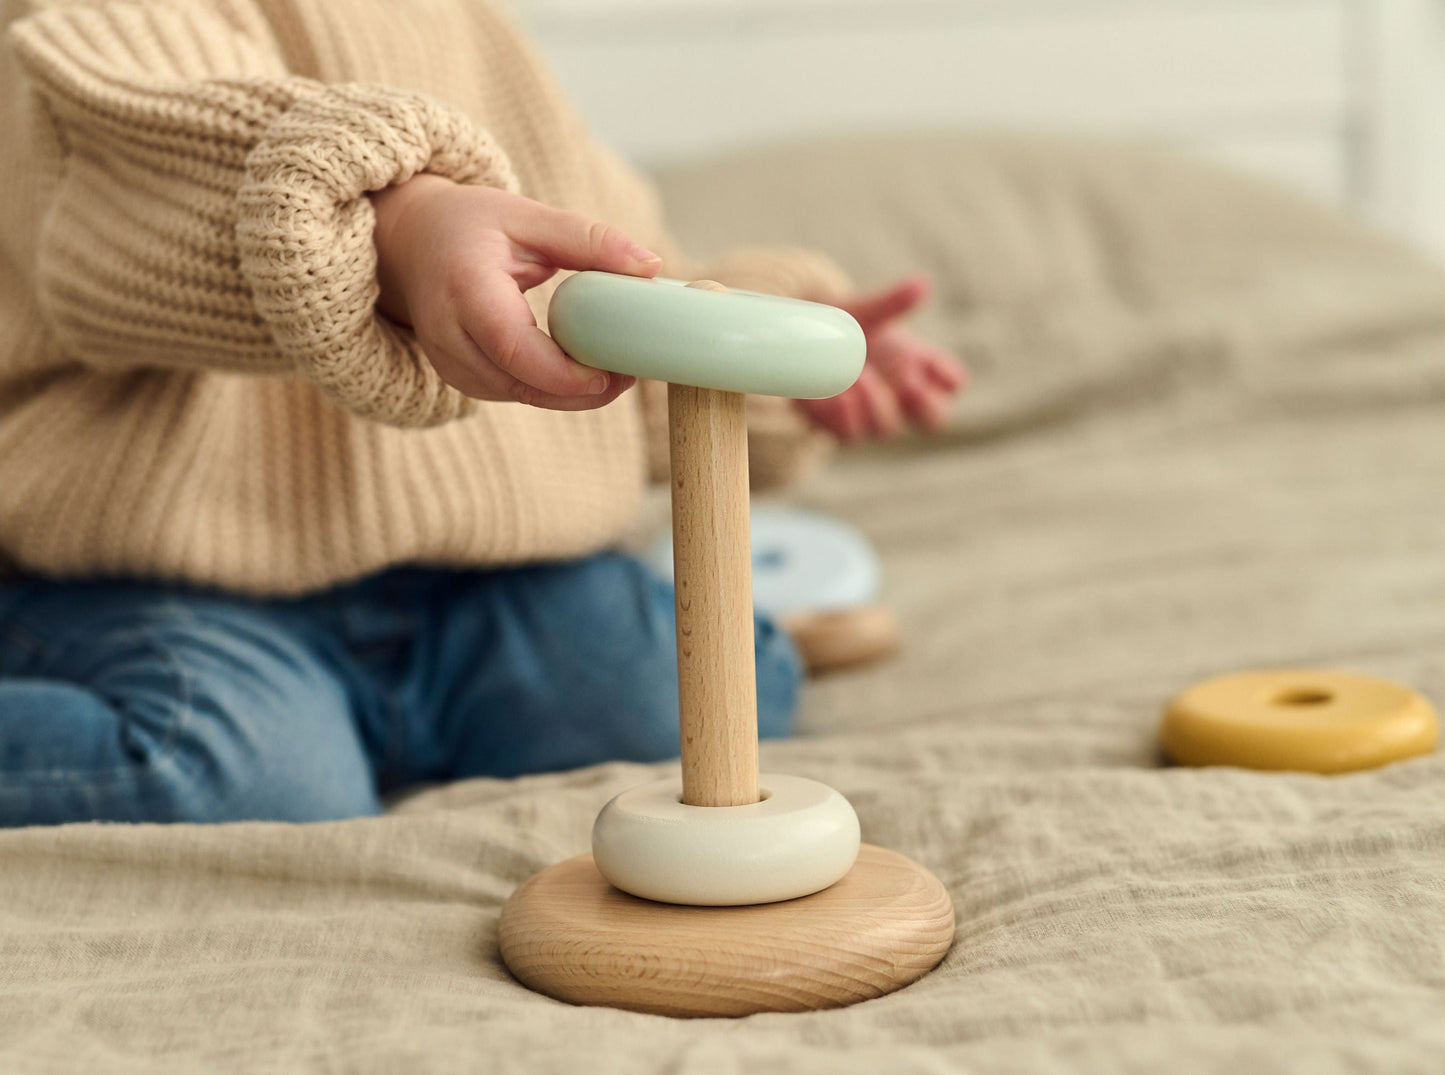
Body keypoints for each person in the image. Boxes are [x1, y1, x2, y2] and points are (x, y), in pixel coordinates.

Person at [0, 0, 965, 825]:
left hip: (476, 580)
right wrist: (393, 222)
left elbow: (592, 297)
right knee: (250, 780)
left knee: (683, 691)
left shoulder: (475, 36)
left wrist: (767, 351)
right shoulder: (97, 31)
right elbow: (129, 178)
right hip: (171, 577)